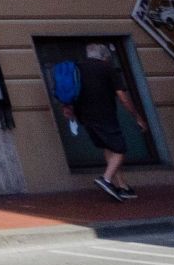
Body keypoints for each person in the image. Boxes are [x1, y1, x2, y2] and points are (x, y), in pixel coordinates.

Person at [62, 41, 148, 201]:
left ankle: (122, 187)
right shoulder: (107, 68)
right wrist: (137, 117)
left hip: (84, 117)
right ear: (104, 57)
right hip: (105, 115)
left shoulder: (77, 68)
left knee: (109, 148)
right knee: (120, 150)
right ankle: (106, 179)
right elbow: (122, 97)